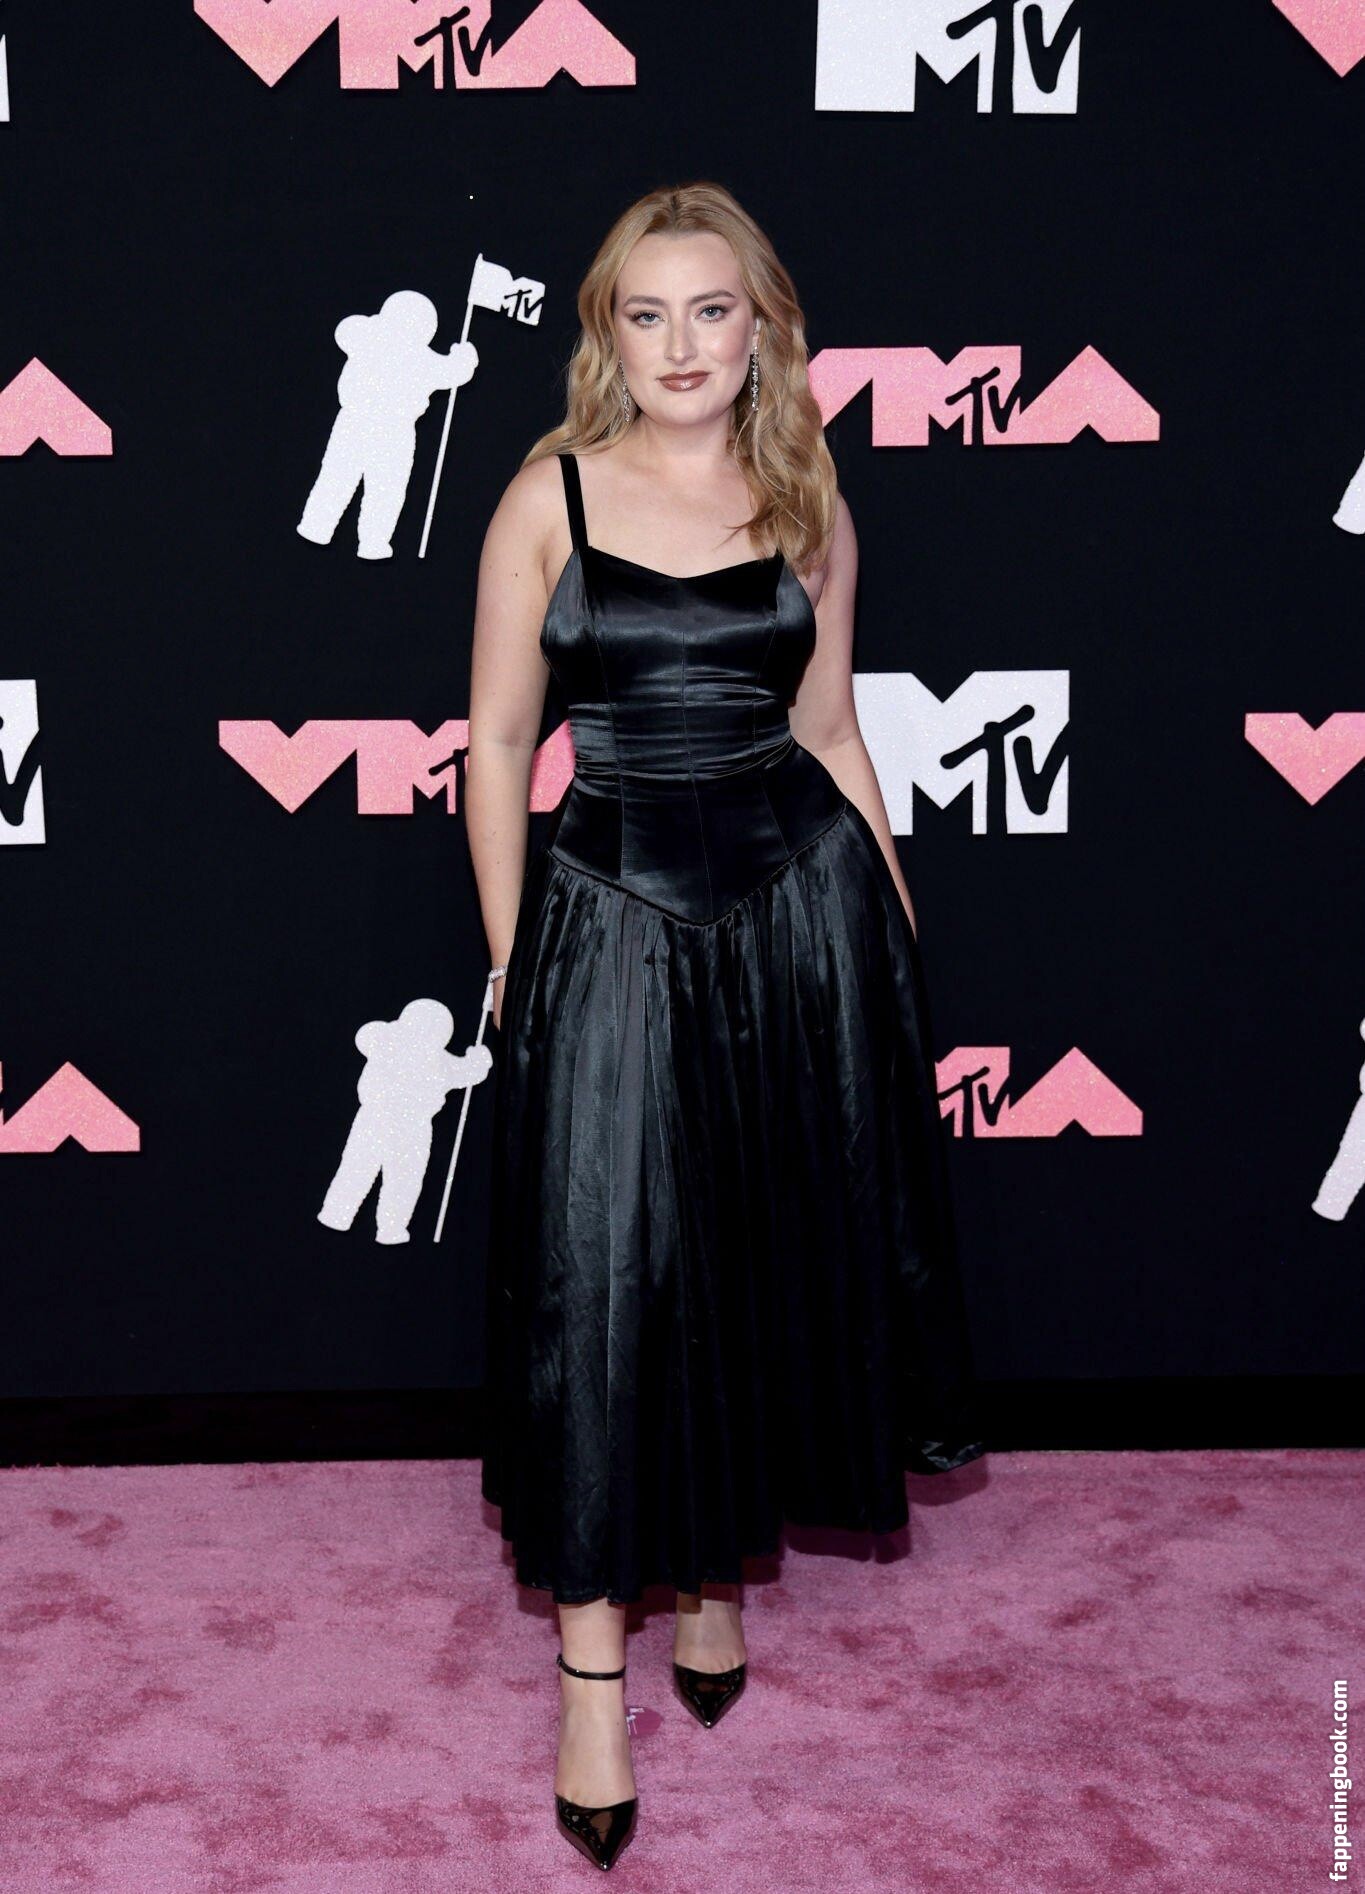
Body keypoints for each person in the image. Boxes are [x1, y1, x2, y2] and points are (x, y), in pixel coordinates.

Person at [464, 180, 985, 1870]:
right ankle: (589, 1681)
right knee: (606, 1283)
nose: (681, 344)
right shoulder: (545, 496)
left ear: (761, 327)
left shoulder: (806, 494)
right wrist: (515, 961)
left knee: (759, 1251)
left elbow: (829, 731)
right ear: (606, 335)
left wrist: (889, 941)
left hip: (793, 921)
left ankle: (712, 1579)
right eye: (648, 313)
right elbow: (497, 745)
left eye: (712, 310)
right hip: (608, 919)